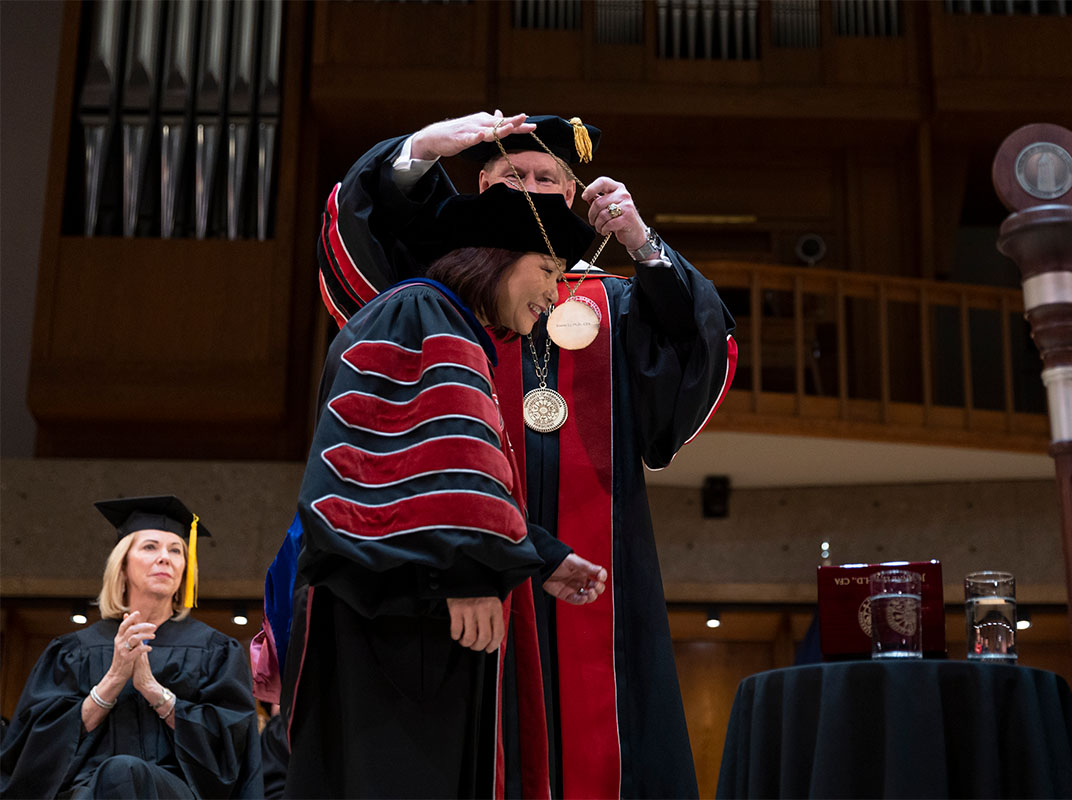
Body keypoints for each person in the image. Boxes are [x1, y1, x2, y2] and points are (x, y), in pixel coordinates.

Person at [316, 112, 737, 799]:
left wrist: (641, 242)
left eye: (549, 179)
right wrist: (423, 148)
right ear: (483, 188)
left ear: (571, 197)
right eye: (516, 176)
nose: (534, 189)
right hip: (461, 562)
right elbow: (368, 238)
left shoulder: (615, 302)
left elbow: (695, 351)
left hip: (589, 552)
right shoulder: (440, 294)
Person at [283, 185, 608, 799]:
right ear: (493, 258)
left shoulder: (437, 322)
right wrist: (466, 572)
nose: (555, 293)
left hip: (409, 605)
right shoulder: (420, 312)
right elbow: (422, 467)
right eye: (547, 270)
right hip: (401, 620)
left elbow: (436, 464)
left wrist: (540, 555)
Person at [0, 496, 263, 799]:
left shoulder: (215, 651)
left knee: (124, 771)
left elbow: (232, 746)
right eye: (150, 547)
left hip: (175, 792)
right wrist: (113, 679)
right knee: (117, 774)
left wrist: (154, 691)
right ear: (122, 565)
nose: (164, 558)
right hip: (85, 791)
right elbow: (32, 749)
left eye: (176, 550)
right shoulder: (72, 651)